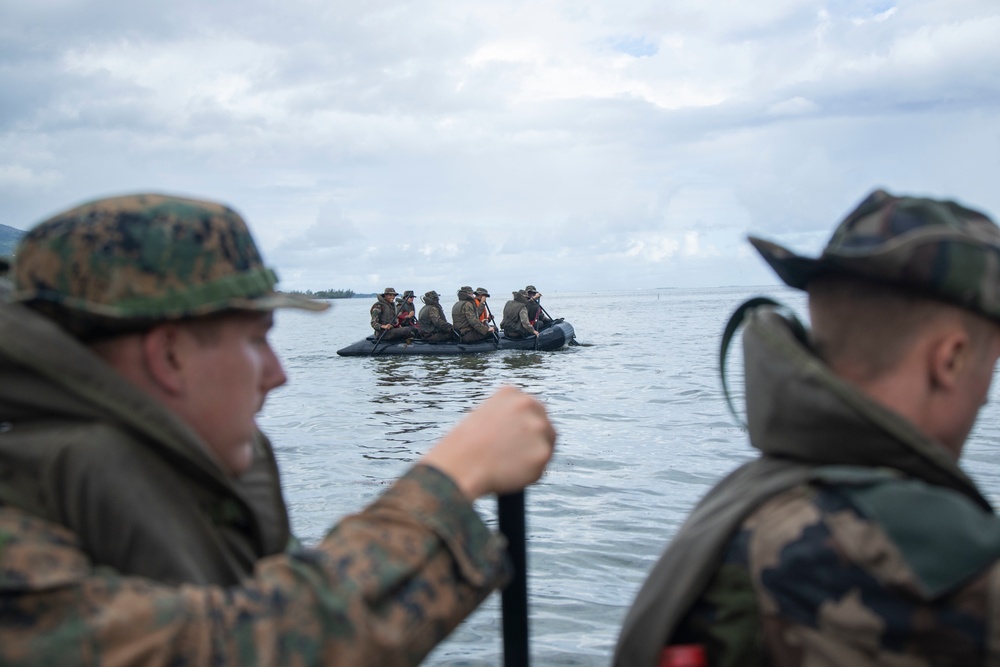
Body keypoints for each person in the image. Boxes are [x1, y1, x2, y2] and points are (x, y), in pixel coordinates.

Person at [0, 193, 557, 665]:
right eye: (254, 340)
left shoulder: (184, 473)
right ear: (168, 354)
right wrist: (451, 480)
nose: (277, 373)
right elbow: (242, 645)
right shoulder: (20, 523)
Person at [616, 189, 1000, 667]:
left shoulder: (737, 501)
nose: (985, 395)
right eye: (991, 367)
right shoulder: (935, 553)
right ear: (952, 360)